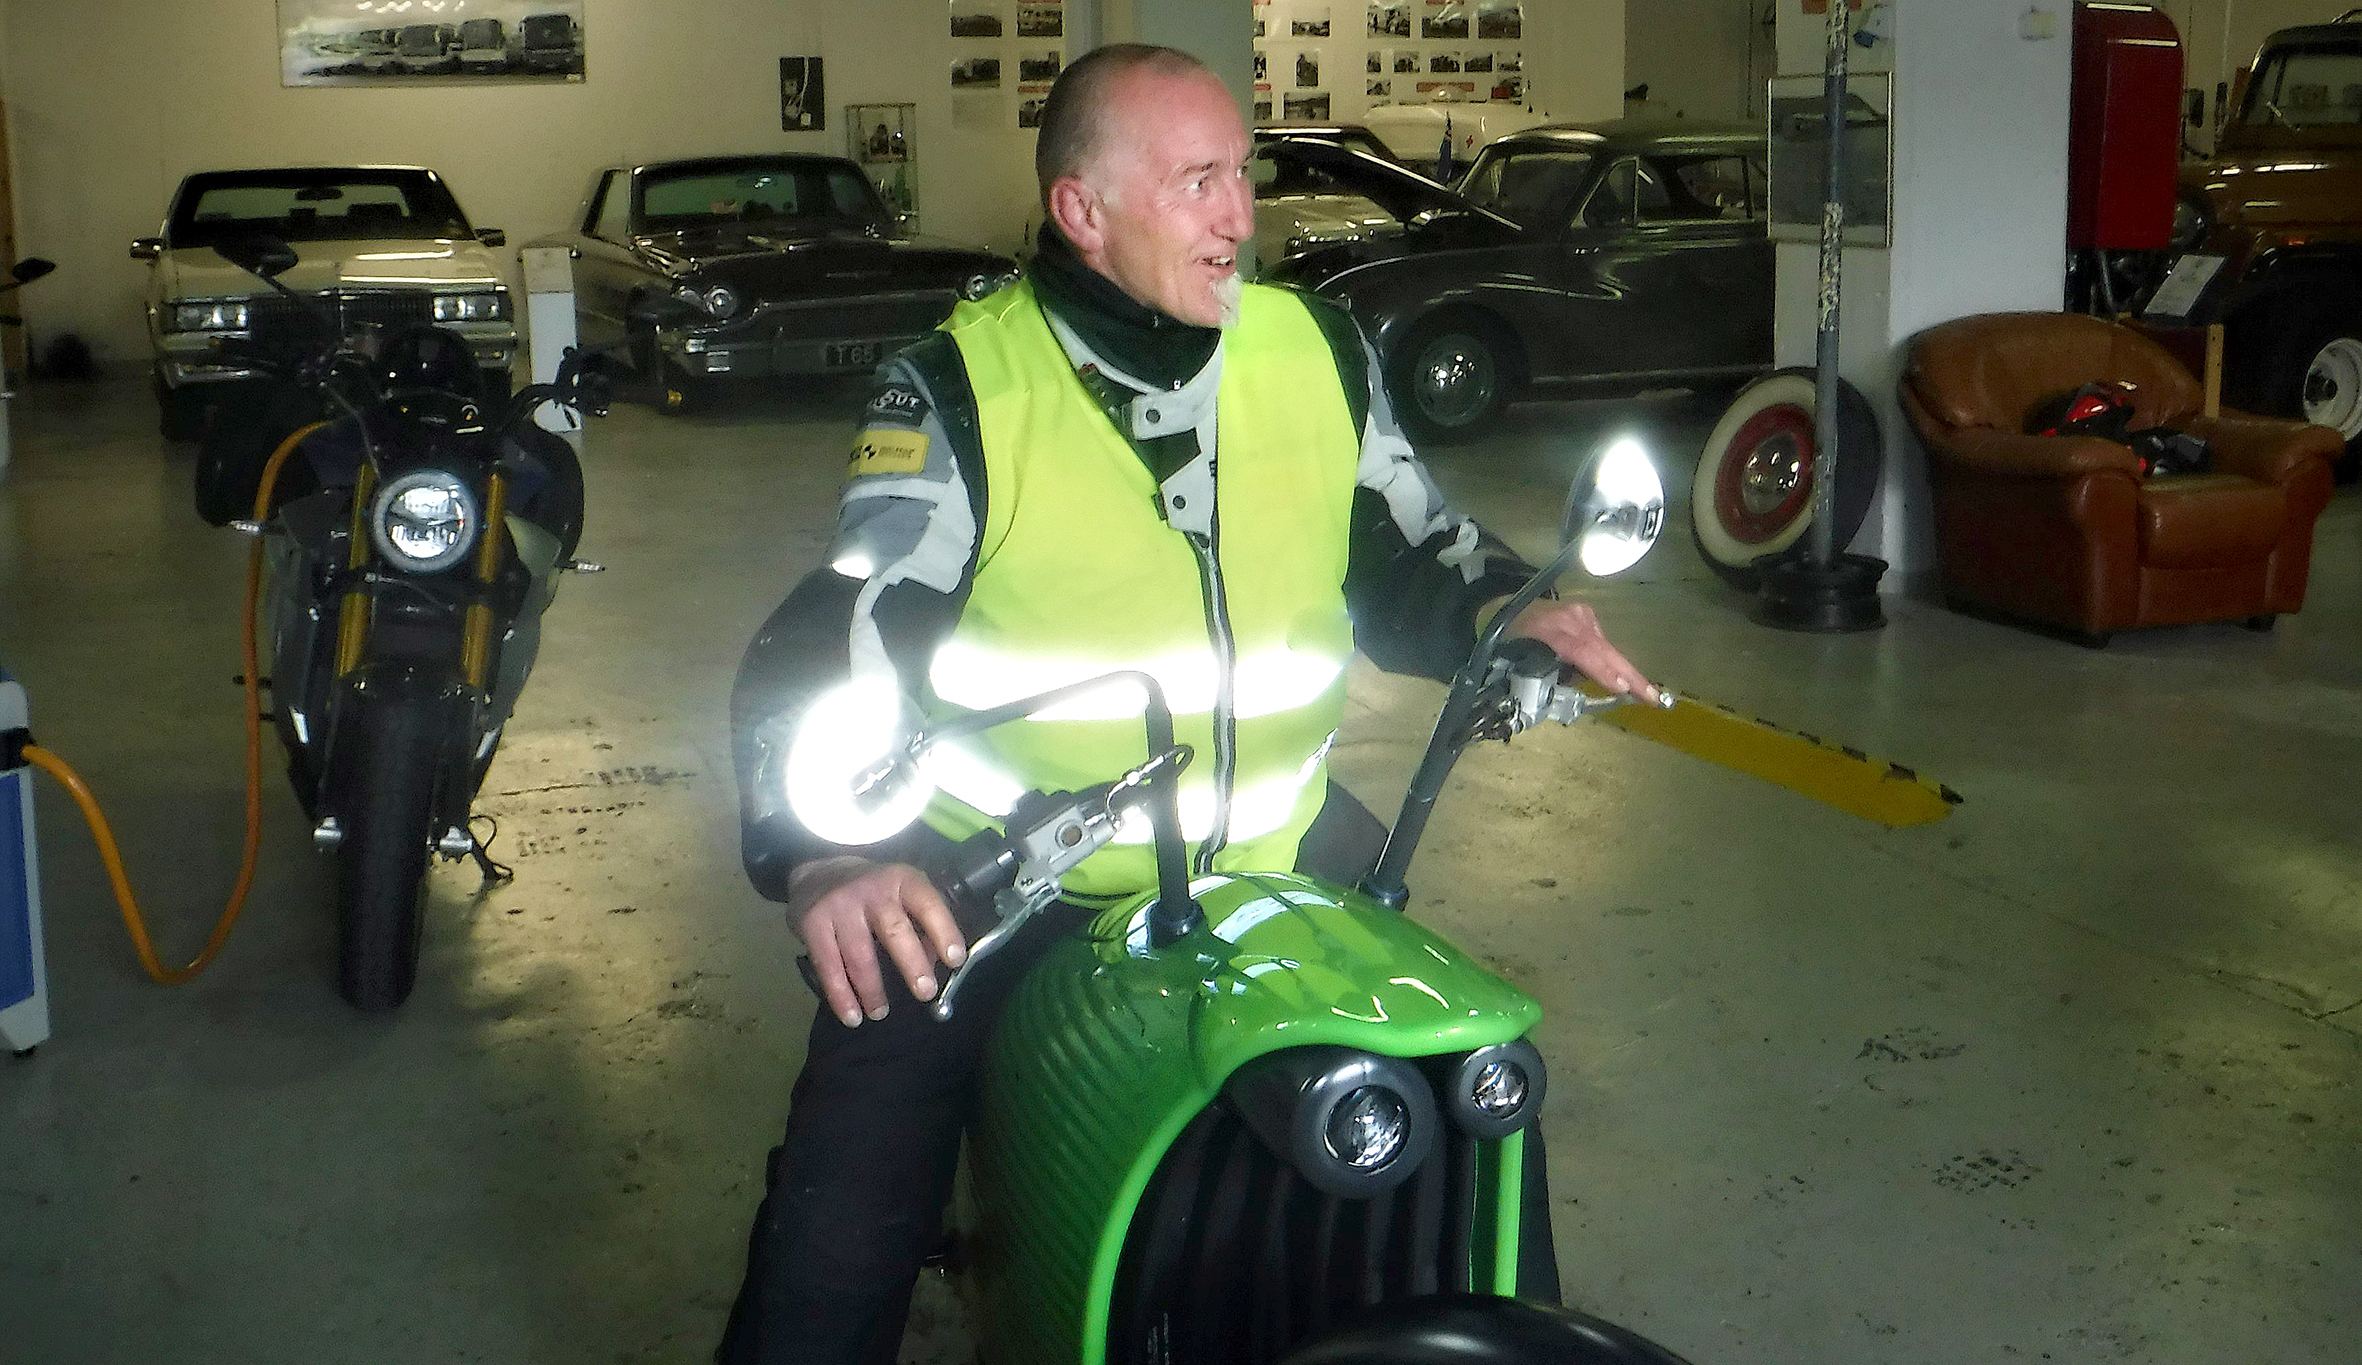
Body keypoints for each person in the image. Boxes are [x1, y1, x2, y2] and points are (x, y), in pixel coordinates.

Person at [717, 43, 1656, 1365]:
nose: (1238, 216)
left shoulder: (1314, 349)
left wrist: (1508, 611)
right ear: (1083, 211)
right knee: (846, 1200)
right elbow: (842, 626)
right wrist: (828, 854)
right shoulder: (961, 387)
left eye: (1242, 176)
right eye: (1197, 181)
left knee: (1471, 1088)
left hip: (1274, 855)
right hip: (1016, 876)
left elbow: (1407, 546)